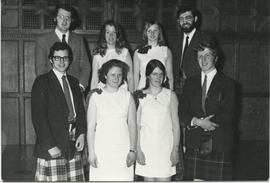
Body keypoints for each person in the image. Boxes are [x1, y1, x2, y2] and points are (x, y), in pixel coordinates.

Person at [180, 38, 236, 180]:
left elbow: (229, 114)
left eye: (207, 55)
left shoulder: (229, 84)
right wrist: (198, 122)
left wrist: (208, 123)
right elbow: (182, 112)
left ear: (215, 58)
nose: (203, 60)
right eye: (199, 56)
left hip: (219, 142)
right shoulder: (189, 83)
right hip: (195, 142)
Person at [31, 42, 86, 181]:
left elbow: (80, 112)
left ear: (70, 60)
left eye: (65, 58)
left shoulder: (74, 82)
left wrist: (81, 133)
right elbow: (38, 118)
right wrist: (50, 146)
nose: (62, 61)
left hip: (72, 143)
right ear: (51, 59)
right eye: (57, 58)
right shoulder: (42, 82)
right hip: (52, 145)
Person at [87, 59, 137, 181]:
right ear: (105, 75)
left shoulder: (127, 96)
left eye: (119, 75)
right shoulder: (95, 96)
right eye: (112, 75)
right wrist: (91, 152)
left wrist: (132, 150)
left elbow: (132, 125)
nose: (116, 78)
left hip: (122, 150)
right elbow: (90, 127)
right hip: (101, 150)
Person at [134, 59, 180, 181]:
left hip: (165, 149)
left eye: (161, 74)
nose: (158, 77)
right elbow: (137, 126)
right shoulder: (139, 96)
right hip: (146, 148)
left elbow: (176, 125)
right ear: (148, 76)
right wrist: (138, 149)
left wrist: (175, 150)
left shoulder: (170, 95)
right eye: (155, 74)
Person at [35, 4, 90, 91]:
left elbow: (86, 66)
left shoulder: (79, 40)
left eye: (67, 18)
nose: (64, 21)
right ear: (55, 18)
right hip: (52, 90)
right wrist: (48, 88)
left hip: (75, 90)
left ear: (71, 21)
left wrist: (81, 86)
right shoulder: (43, 41)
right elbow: (41, 69)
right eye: (61, 17)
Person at [90, 20, 134, 92]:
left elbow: (130, 77)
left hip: (121, 92)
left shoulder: (125, 52)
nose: (111, 36)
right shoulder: (97, 55)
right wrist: (91, 97)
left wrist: (132, 95)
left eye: (114, 32)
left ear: (118, 35)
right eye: (108, 32)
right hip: (103, 93)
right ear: (103, 35)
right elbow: (94, 79)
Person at [173, 5, 204, 96]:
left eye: (188, 18)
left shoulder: (204, 39)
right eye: (181, 19)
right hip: (177, 89)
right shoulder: (175, 41)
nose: (184, 21)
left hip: (197, 88)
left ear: (195, 19)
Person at [133, 21, 174, 90]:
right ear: (145, 33)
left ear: (159, 33)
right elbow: (136, 76)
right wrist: (135, 93)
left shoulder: (166, 51)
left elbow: (170, 75)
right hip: (143, 89)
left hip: (162, 89)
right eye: (149, 31)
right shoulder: (138, 52)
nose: (152, 33)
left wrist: (171, 92)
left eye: (155, 30)